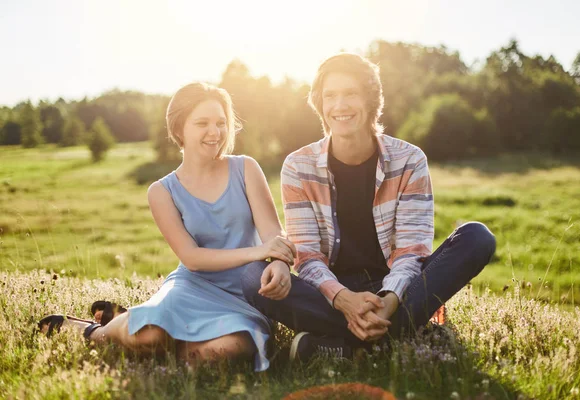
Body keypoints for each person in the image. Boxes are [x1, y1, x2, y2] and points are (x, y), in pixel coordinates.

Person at [241, 53, 496, 361]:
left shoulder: (409, 160)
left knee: (476, 237)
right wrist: (344, 300)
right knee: (250, 276)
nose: (340, 105)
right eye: (330, 96)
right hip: (331, 291)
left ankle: (344, 344)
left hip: (399, 286)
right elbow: (308, 257)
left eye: (351, 94)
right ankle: (392, 337)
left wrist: (388, 300)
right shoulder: (298, 166)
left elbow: (411, 252)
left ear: (371, 99)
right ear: (320, 104)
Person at [38, 82, 296, 371]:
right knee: (148, 336)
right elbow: (193, 258)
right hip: (193, 286)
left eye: (221, 123)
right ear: (179, 129)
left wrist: (280, 262)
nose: (215, 132)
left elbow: (274, 234)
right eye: (202, 123)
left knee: (225, 350)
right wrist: (258, 252)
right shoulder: (162, 191)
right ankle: (93, 331)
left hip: (246, 294)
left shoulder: (246, 168)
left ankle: (146, 323)